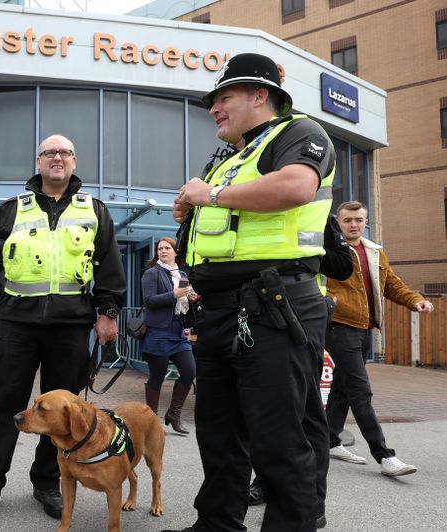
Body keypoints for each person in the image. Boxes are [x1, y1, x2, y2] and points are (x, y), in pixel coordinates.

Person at [168, 53, 336, 531]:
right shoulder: (233, 157)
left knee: (278, 441)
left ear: (259, 95)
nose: (214, 109)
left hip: (273, 305)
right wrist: (190, 214)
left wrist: (210, 196)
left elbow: (297, 186)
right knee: (218, 434)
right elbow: (229, 222)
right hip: (223, 310)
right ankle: (217, 524)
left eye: (223, 98)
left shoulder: (299, 134)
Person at [0, 134, 125, 523]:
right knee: (5, 404)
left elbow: (110, 265)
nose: (57, 158)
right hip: (17, 323)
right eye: (50, 153)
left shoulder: (93, 209)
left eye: (64, 152)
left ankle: (47, 481)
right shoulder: (13, 208)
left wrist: (108, 312)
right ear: (39, 161)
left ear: (74, 161)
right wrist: (8, 248)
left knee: (62, 414)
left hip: (70, 324)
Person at [247, 214, 353, 509]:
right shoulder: (257, 204)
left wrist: (297, 254)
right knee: (266, 411)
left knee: (305, 411)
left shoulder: (318, 213)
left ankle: (312, 501)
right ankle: (265, 483)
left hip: (302, 315)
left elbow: (343, 266)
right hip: (258, 313)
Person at [323, 201, 431, 476]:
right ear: (338, 222)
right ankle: (384, 456)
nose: (354, 224)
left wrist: (415, 300)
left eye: (359, 219)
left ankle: (330, 440)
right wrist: (327, 302)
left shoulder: (374, 252)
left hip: (365, 328)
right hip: (339, 326)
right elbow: (316, 282)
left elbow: (391, 284)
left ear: (366, 221)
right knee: (360, 390)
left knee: (343, 387)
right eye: (347, 220)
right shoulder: (330, 251)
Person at [140, 236, 198, 435]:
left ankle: (174, 414)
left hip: (178, 330)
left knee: (189, 371)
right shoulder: (152, 273)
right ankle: (151, 421)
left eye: (167, 248)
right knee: (157, 375)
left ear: (175, 252)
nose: (163, 251)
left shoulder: (181, 274)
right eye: (160, 249)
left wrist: (191, 298)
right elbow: (149, 301)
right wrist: (176, 294)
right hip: (158, 331)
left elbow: (184, 301)